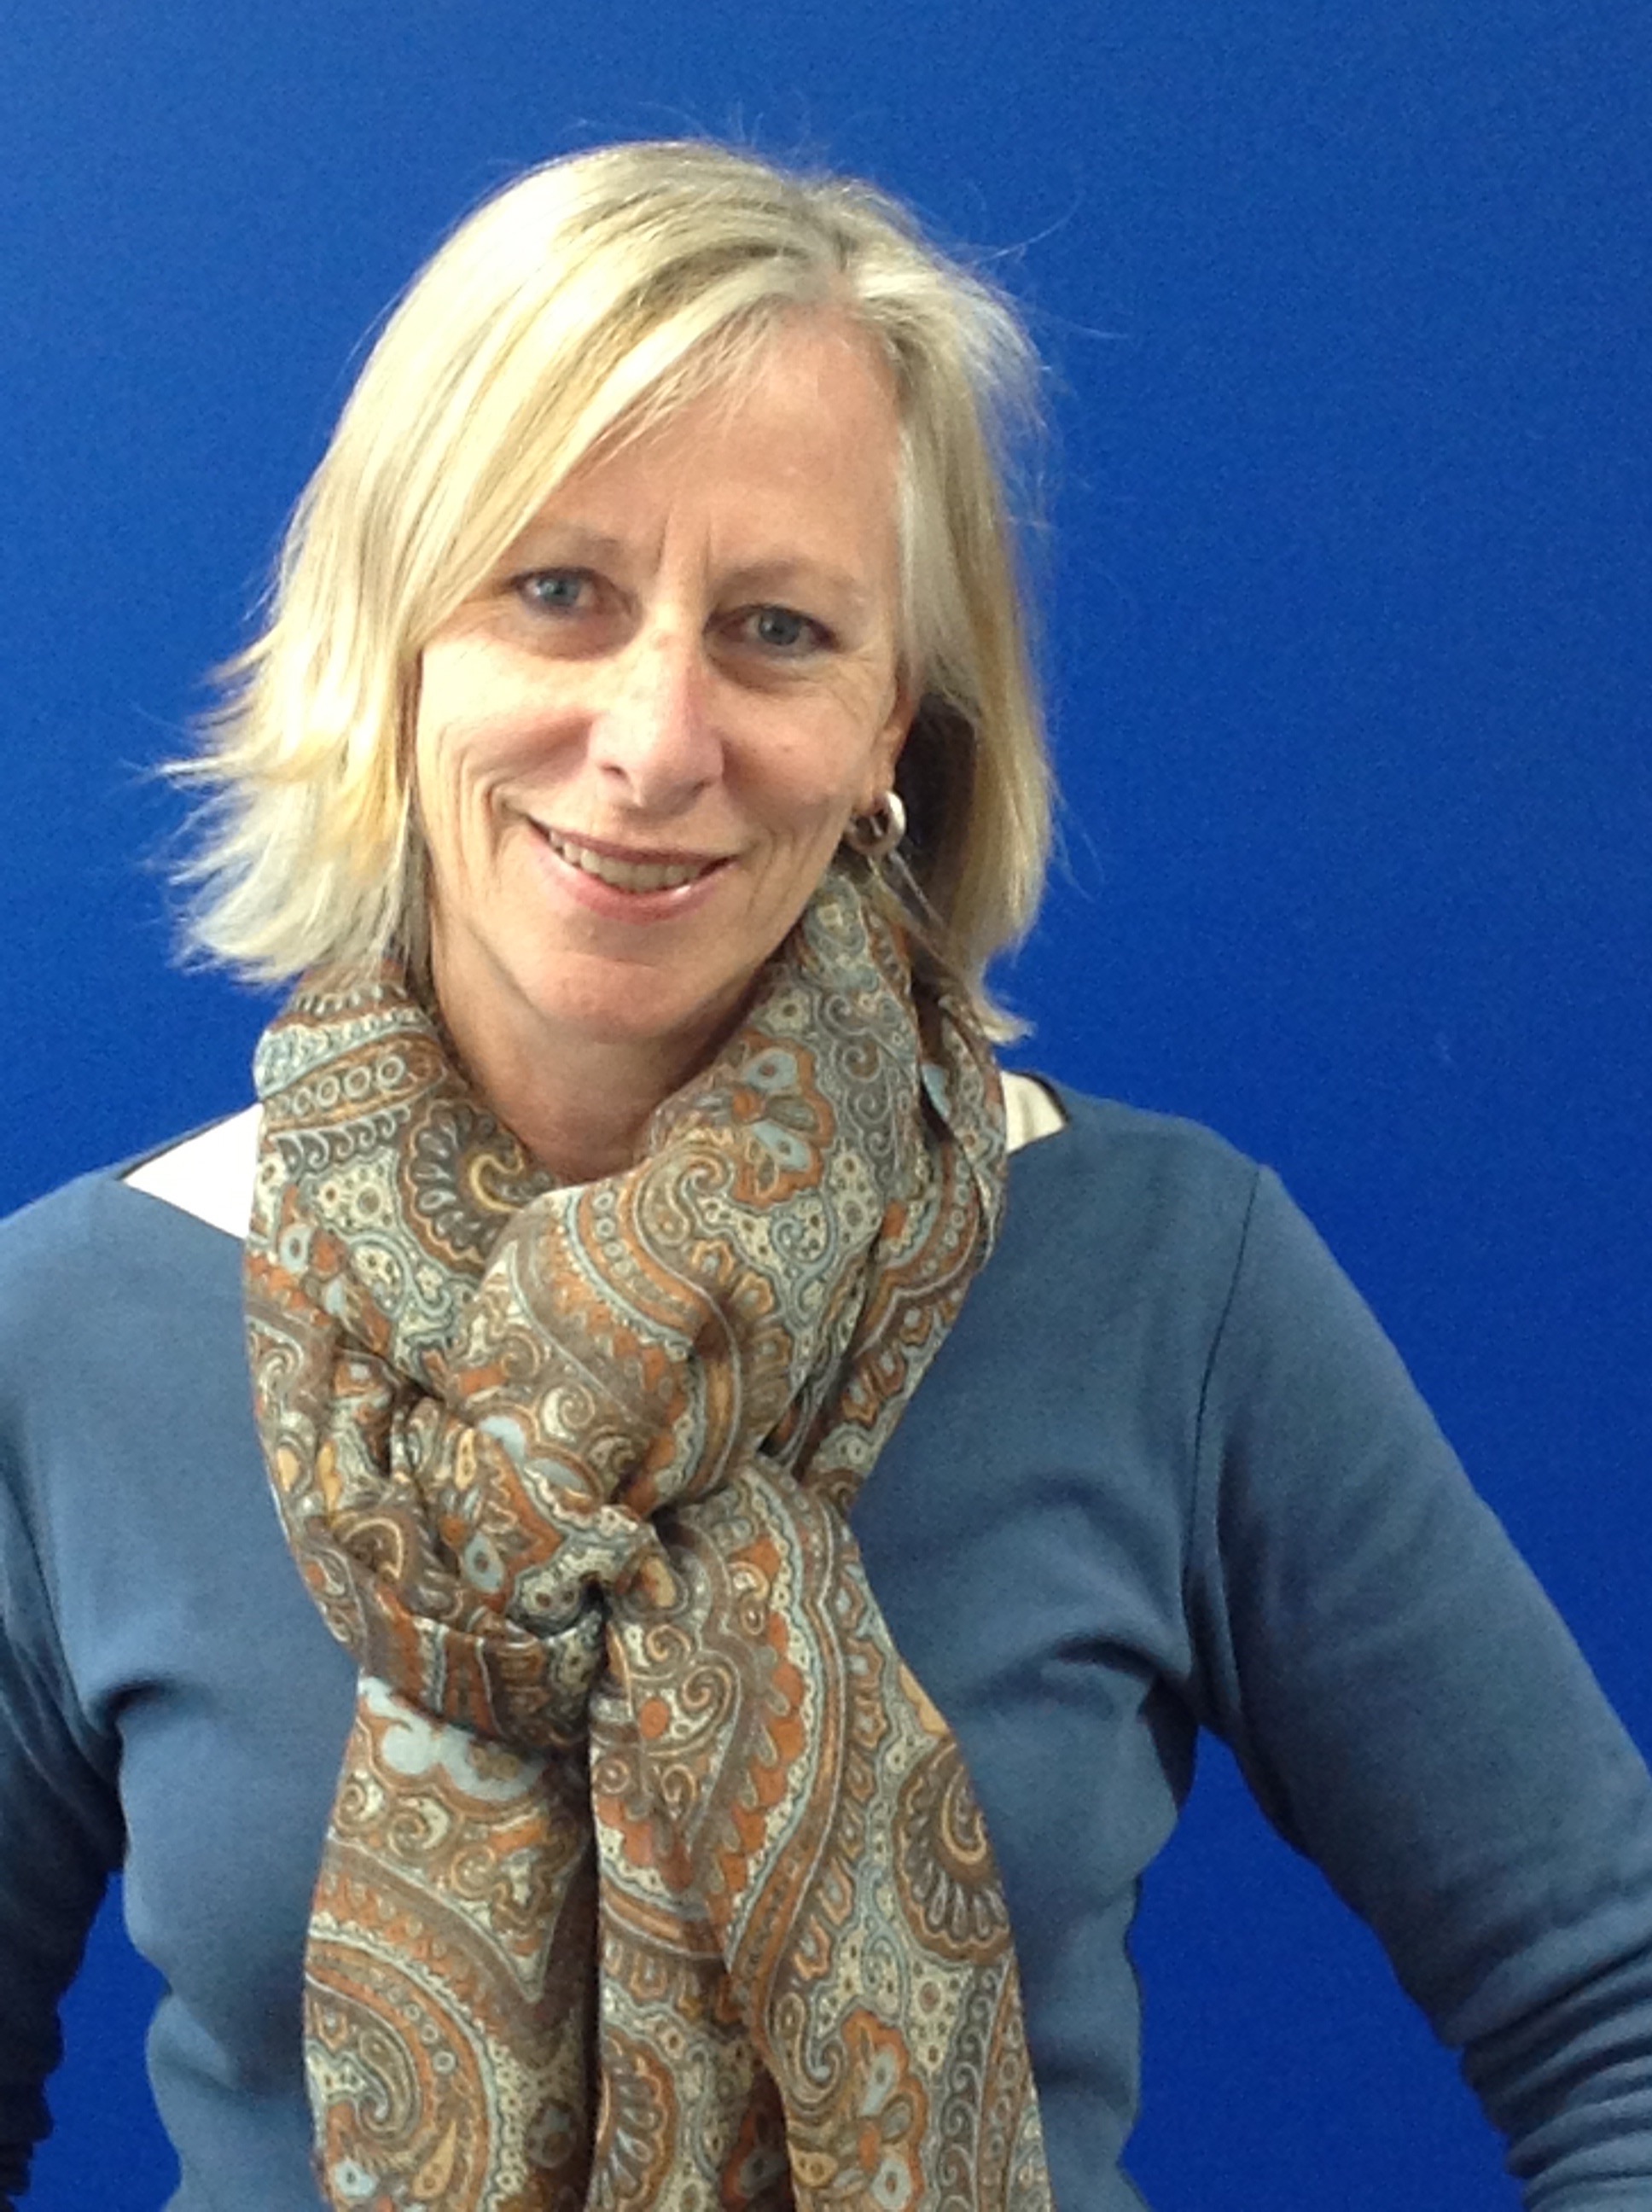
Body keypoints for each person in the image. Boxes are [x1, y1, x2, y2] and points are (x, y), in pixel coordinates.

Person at [2, 138, 1649, 2212]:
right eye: (555, 591)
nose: (654, 738)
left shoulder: (1163, 1278)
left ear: (894, 728)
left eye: (776, 629)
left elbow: (1610, 2007)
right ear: (392, 637)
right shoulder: (76, 1334)